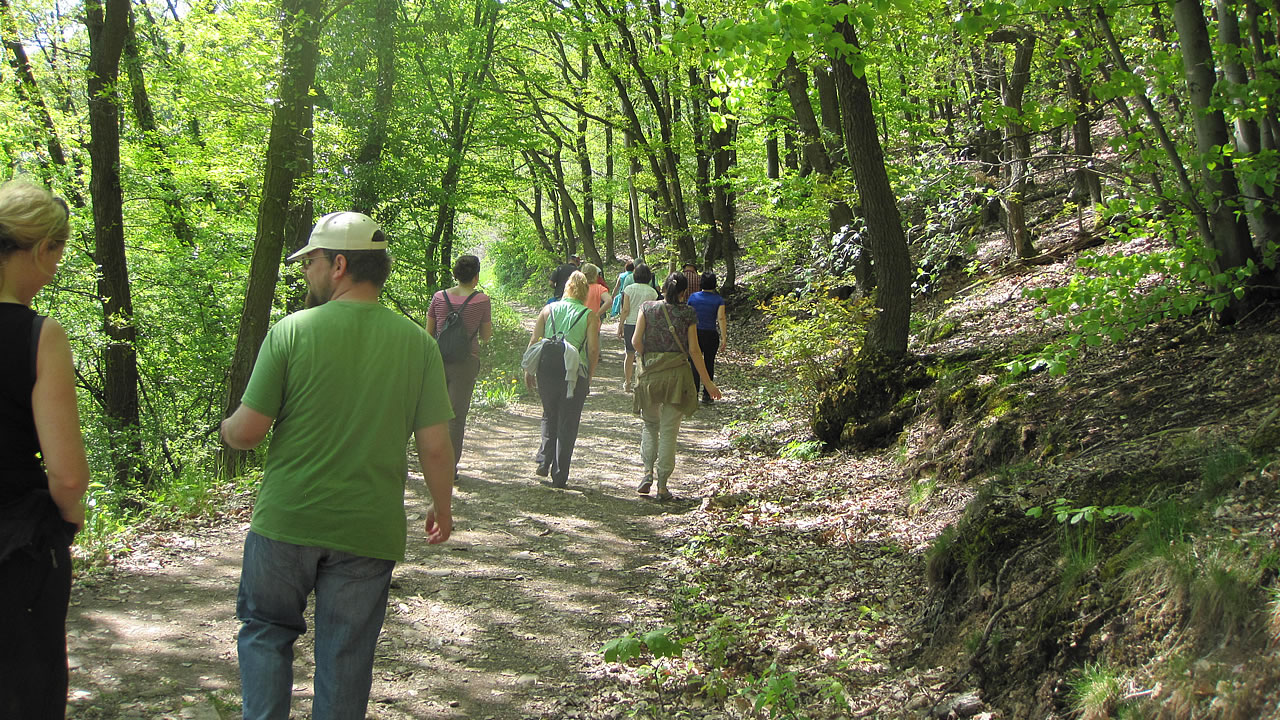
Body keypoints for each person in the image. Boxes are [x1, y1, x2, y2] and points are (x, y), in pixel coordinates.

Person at [220, 211, 455, 720]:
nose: (305, 271)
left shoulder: (291, 332)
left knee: (265, 631)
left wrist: (225, 428)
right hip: (367, 531)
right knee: (346, 657)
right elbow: (436, 446)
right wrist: (443, 507)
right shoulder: (418, 344)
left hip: (286, 523)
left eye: (312, 261)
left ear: (340, 264)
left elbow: (248, 432)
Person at [0, 180, 88, 720]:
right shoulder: (38, 335)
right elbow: (69, 475)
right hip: (18, 545)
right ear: (38, 248)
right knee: (24, 688)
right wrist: (69, 520)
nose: (56, 267)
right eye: (56, 252)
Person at [631, 272, 720, 501]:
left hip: (650, 375)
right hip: (677, 377)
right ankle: (662, 485)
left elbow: (635, 342)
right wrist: (708, 383)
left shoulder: (646, 308)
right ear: (683, 293)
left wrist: (649, 358)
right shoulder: (688, 313)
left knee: (651, 425)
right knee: (669, 430)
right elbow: (694, 351)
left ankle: (646, 474)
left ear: (662, 288)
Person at [522, 271, 600, 488]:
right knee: (568, 422)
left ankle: (543, 460)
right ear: (585, 292)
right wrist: (590, 375)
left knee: (549, 413)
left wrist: (529, 369)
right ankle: (559, 474)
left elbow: (534, 340)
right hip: (574, 373)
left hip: (547, 369)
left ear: (566, 288)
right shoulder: (589, 316)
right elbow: (593, 350)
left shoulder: (548, 310)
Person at [426, 254, 493, 479]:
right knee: (456, 417)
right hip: (466, 362)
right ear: (475, 277)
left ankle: (431, 462)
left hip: (437, 360)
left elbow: (429, 334)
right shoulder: (482, 300)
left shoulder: (438, 297)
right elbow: (486, 336)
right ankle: (449, 468)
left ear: (455, 274)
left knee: (434, 413)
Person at [686, 271, 727, 405]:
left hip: (695, 333)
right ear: (714, 284)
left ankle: (693, 393)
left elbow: (687, 315)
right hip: (711, 334)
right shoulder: (718, 300)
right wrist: (724, 337)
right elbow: (721, 318)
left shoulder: (693, 297)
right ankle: (707, 395)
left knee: (694, 362)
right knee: (709, 362)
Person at [617, 263, 657, 393]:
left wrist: (620, 325)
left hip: (630, 323)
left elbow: (625, 309)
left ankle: (627, 382)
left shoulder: (629, 289)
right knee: (642, 354)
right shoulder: (652, 292)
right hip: (646, 325)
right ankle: (641, 382)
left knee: (629, 354)